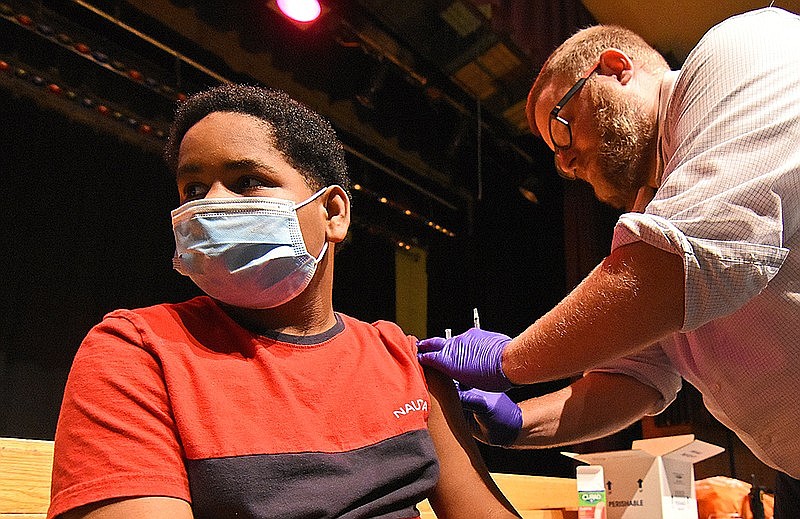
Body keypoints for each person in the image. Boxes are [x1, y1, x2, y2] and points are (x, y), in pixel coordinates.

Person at [48, 84, 521, 519]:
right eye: (193, 189)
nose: (211, 205)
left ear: (333, 212)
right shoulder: (136, 350)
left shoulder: (399, 359)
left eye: (247, 181)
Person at [416, 6, 800, 517]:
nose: (564, 163)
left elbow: (690, 260)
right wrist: (512, 423)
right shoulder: (659, 208)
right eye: (554, 154)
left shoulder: (745, 46)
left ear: (616, 68)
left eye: (562, 127)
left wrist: (508, 362)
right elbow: (637, 378)